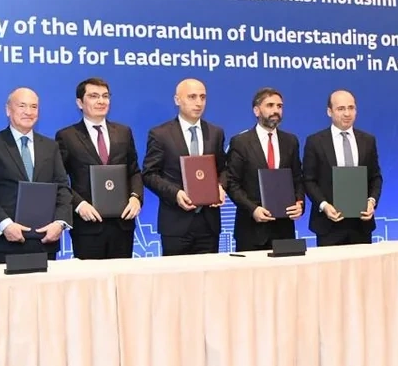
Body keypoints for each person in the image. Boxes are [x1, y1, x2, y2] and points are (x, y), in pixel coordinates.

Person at [0, 87, 73, 264]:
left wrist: (59, 223)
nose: (28, 112)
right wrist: (6, 225)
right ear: (8, 110)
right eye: (22, 106)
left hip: (45, 241)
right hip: (4, 243)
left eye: (34, 107)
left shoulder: (50, 147)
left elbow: (63, 188)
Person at [54, 77, 143, 260]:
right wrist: (78, 204)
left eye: (105, 96)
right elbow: (58, 180)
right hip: (87, 225)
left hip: (122, 224)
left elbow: (134, 171)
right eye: (94, 96)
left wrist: (136, 198)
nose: (101, 101)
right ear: (80, 103)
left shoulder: (123, 132)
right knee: (90, 278)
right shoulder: (67, 136)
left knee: (121, 277)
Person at [142, 77, 227, 256]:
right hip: (175, 223)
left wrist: (221, 186)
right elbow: (149, 174)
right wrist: (175, 194)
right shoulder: (161, 134)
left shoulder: (216, 133)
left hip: (209, 223)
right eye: (192, 97)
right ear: (177, 100)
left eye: (203, 97)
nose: (199, 103)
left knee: (209, 273)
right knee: (176, 274)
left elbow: (223, 169)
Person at [224, 87, 304, 252]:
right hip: (251, 230)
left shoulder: (291, 141)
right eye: (270, 105)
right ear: (256, 110)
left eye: (279, 106)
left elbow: (297, 178)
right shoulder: (240, 142)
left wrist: (299, 203)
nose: (276, 110)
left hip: (284, 230)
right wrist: (252, 209)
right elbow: (232, 183)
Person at [302, 89, 383, 246]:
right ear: (329, 111)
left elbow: (375, 177)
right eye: (341, 109)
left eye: (351, 108)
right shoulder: (315, 142)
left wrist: (371, 201)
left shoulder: (368, 141)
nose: (347, 113)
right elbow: (309, 180)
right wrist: (324, 206)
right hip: (328, 225)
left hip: (361, 224)